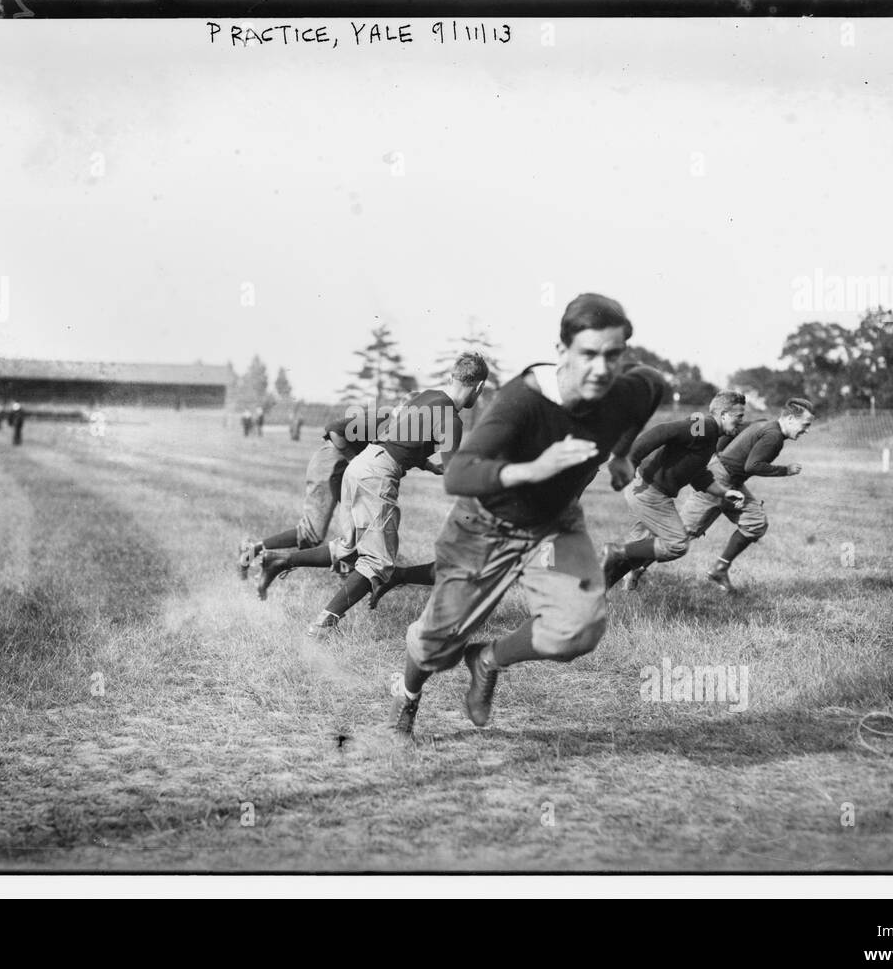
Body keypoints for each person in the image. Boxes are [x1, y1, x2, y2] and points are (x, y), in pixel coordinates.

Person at [391, 294, 665, 736]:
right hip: (483, 527)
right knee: (434, 648)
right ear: (562, 352)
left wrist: (620, 455)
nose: (601, 368)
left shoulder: (628, 390)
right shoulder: (523, 400)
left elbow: (650, 386)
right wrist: (535, 469)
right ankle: (406, 706)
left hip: (554, 526)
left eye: (613, 356)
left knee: (577, 629)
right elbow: (458, 472)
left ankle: (486, 660)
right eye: (588, 354)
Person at [258, 354, 490, 635]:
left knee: (350, 548)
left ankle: (280, 560)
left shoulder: (428, 396)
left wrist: (427, 464)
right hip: (378, 475)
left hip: (361, 464)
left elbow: (401, 437)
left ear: (452, 377)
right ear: (478, 388)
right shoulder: (452, 420)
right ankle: (323, 624)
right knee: (378, 563)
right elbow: (457, 478)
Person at [600, 390, 748, 592]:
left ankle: (599, 587)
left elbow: (698, 475)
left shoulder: (710, 436)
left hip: (650, 490)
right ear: (723, 415)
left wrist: (724, 493)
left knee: (641, 547)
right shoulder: (704, 426)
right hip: (649, 491)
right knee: (676, 544)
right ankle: (615, 551)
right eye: (739, 416)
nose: (741, 421)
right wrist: (630, 461)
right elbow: (662, 431)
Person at [677, 397, 815, 593]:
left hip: (731, 481)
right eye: (805, 424)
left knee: (755, 521)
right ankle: (634, 563)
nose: (806, 430)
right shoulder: (773, 437)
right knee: (680, 536)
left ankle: (720, 568)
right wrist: (786, 470)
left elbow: (733, 430)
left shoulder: (763, 423)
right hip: (718, 480)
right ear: (791, 419)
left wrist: (719, 455)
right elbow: (754, 466)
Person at [238, 413, 372, 580]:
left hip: (337, 462)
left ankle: (347, 564)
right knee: (311, 534)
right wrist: (353, 459)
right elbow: (335, 429)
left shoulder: (399, 425)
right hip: (331, 462)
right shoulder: (388, 422)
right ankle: (253, 551)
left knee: (360, 518)